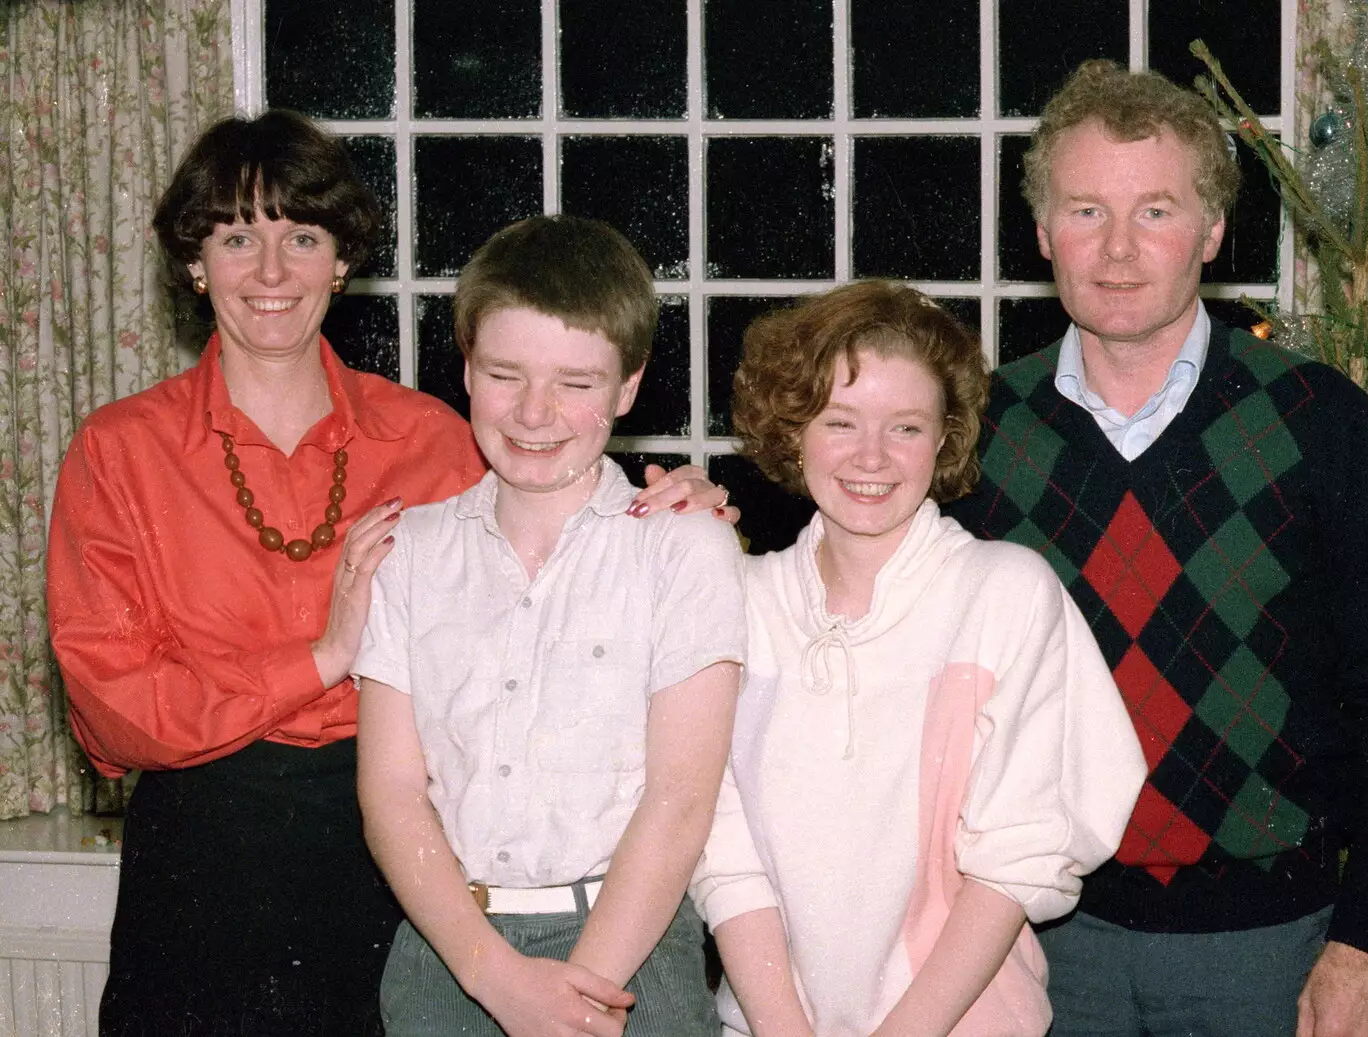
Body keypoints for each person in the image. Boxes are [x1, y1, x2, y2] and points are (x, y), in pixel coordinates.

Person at [42, 110, 725, 1036]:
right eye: (238, 237)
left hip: (401, 865)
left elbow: (562, 539)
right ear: (196, 264)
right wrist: (321, 658)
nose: (273, 272)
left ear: (342, 260)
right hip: (208, 858)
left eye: (303, 237)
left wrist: (684, 501)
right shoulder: (119, 450)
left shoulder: (432, 438)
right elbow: (113, 710)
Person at [944, 61, 1368, 1037]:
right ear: (1044, 230)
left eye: (1157, 211)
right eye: (1087, 210)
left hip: (1270, 944)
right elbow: (852, 611)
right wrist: (697, 512)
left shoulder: (1323, 424)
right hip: (1027, 939)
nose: (1120, 250)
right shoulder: (972, 428)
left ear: (1213, 231)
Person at [691, 281, 1145, 1037]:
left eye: (905, 426)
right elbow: (723, 855)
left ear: (943, 439)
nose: (871, 456)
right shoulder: (740, 603)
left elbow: (1016, 859)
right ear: (792, 428)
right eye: (840, 421)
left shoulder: (1003, 593)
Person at [354, 214, 745, 1037]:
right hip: (449, 953)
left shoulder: (682, 548)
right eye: (506, 374)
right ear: (464, 367)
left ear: (627, 388)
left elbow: (679, 799)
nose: (536, 412)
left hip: (631, 954)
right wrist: (491, 975)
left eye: (576, 382)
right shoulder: (409, 552)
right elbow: (391, 792)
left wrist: (583, 996)